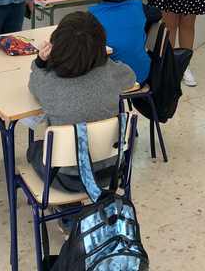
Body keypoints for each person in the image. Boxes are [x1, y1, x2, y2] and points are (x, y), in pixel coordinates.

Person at [27, 11, 136, 190]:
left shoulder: (49, 83)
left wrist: (40, 62)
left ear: (57, 46)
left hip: (67, 179)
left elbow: (33, 84)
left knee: (34, 150)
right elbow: (131, 77)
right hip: (113, 172)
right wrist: (105, 61)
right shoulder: (110, 72)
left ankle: (69, 209)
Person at [89, 0, 162, 84]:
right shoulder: (138, 7)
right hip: (141, 73)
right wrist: (130, 0)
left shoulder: (92, 14)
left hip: (109, 79)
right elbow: (157, 14)